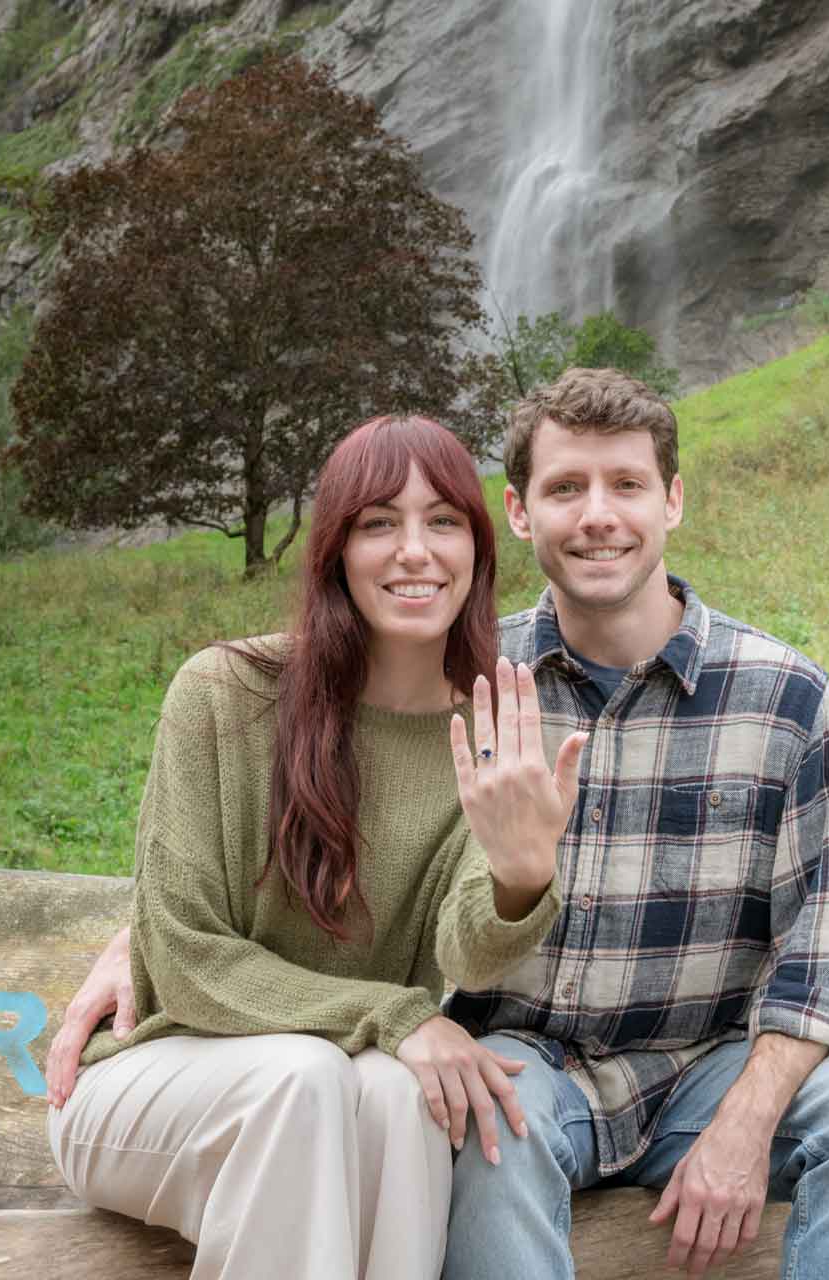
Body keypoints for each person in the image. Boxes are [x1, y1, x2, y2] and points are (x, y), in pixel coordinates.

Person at [49, 371, 829, 1279]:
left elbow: (822, 962)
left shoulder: (785, 697)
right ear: (517, 513)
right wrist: (141, 938)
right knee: (485, 1113)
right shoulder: (462, 677)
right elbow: (324, 783)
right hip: (527, 1064)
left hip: (708, 1067)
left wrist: (745, 1127)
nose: (598, 516)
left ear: (672, 499)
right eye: (564, 489)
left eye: (626, 485)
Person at [43, 414, 587, 1280]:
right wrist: (398, 1018)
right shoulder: (224, 692)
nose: (415, 550)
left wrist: (521, 876)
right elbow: (182, 957)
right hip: (152, 1091)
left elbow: (464, 950)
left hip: (332, 1092)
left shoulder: (480, 734)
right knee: (308, 1078)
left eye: (444, 520)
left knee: (405, 1100)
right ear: (335, 548)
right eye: (380, 523)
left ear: (480, 553)